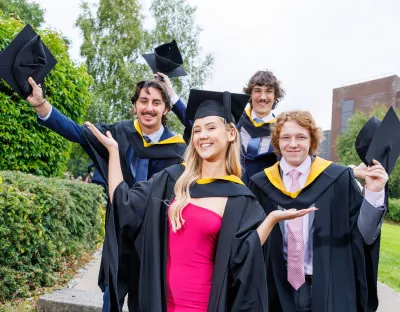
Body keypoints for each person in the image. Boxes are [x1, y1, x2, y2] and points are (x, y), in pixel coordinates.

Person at [86, 90, 315, 311]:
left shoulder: (240, 197)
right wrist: (114, 153)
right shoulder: (172, 180)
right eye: (196, 130)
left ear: (231, 134)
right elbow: (123, 205)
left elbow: (243, 257)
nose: (202, 135)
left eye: (211, 128)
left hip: (204, 305)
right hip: (160, 303)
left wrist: (271, 220)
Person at [26, 77, 187, 310]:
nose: (149, 108)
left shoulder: (179, 150)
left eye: (156, 102)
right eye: (143, 101)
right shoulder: (119, 134)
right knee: (111, 298)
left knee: (149, 300)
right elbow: (78, 133)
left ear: (165, 109)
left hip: (155, 236)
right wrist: (42, 106)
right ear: (134, 106)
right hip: (119, 232)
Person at [250, 110, 388, 312]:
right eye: (286, 137)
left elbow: (364, 236)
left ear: (312, 140)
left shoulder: (337, 178)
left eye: (301, 137)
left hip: (328, 286)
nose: (293, 143)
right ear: (277, 141)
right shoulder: (262, 184)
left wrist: (374, 195)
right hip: (276, 288)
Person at [237, 70, 285, 184]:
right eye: (257, 91)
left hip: (266, 194)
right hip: (235, 192)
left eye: (268, 91)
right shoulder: (234, 123)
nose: (263, 97)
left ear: (275, 96)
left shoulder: (281, 131)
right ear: (250, 94)